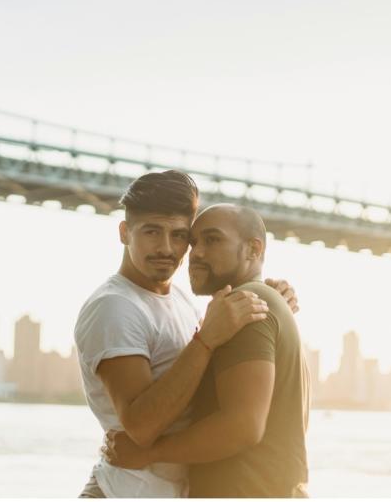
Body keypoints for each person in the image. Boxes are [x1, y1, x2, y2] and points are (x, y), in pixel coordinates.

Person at [74, 171, 298, 498]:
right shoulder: (114, 307)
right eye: (152, 232)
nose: (167, 248)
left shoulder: (181, 301)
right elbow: (141, 427)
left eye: (179, 236)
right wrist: (205, 340)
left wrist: (269, 300)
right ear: (125, 232)